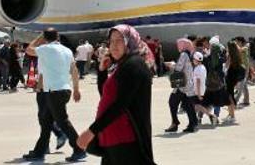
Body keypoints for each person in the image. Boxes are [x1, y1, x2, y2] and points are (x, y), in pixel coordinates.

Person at [77, 24, 156, 165]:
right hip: (113, 136)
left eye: (119, 40)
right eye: (111, 41)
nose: (113, 45)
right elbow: (106, 97)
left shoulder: (134, 65)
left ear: (129, 41)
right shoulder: (123, 65)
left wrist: (91, 131)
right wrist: (102, 72)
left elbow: (120, 105)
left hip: (125, 139)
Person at [23, 28, 86, 162]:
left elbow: (29, 49)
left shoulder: (46, 49)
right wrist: (76, 89)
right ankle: (39, 151)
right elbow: (74, 70)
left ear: (45, 38)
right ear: (58, 37)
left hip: (54, 91)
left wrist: (40, 37)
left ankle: (80, 148)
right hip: (63, 90)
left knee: (62, 122)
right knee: (46, 122)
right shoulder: (67, 50)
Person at [165, 38, 198, 133]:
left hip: (182, 85)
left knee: (172, 102)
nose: (178, 46)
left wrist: (171, 65)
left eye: (179, 44)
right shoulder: (190, 54)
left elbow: (179, 68)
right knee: (188, 105)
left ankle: (175, 123)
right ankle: (193, 124)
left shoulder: (183, 54)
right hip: (188, 85)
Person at [224, 40, 245, 124]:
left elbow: (226, 66)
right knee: (230, 95)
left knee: (229, 96)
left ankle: (232, 116)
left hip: (230, 76)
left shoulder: (230, 56)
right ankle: (230, 114)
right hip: (234, 77)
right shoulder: (237, 54)